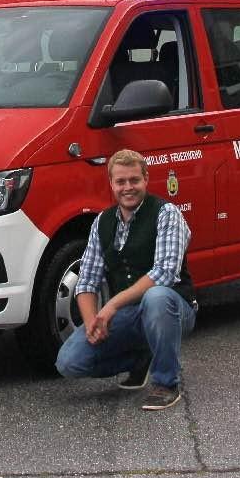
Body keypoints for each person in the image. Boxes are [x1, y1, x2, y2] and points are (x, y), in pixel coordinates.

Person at [55, 148, 197, 410]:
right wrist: (91, 324)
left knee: (156, 297)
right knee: (69, 362)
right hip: (129, 315)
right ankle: (139, 358)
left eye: (134, 180)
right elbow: (86, 282)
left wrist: (111, 305)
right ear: (111, 184)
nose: (128, 187)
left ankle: (166, 383)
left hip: (174, 309)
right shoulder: (102, 222)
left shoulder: (167, 213)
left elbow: (164, 273)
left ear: (146, 179)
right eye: (121, 182)